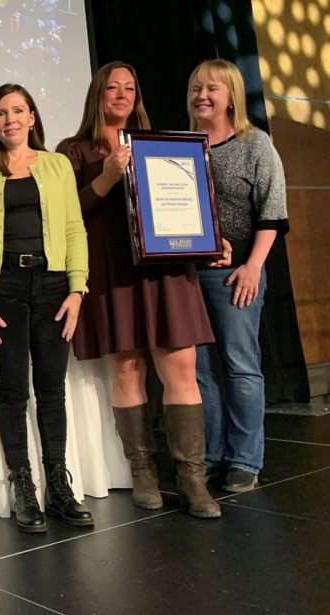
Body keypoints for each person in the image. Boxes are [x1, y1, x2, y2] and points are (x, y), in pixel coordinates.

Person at [57, 61, 221, 518]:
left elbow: (192, 200)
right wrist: (108, 173)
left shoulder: (163, 145)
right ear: (97, 94)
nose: (122, 94)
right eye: (113, 87)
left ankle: (192, 479)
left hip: (167, 272)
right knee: (127, 372)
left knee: (182, 370)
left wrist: (210, 233)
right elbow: (70, 213)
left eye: (130, 87)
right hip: (115, 275)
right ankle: (143, 472)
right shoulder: (72, 150)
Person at [0, 84, 92, 533]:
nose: (10, 119)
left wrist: (77, 289)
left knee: (52, 389)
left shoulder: (57, 165)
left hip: (54, 285)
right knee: (14, 391)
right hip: (4, 287)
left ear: (32, 117)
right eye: (0, 113)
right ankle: (24, 488)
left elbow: (74, 227)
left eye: (18, 110)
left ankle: (59, 487)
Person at [187, 59, 288, 493]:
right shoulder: (179, 147)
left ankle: (245, 460)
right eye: (195, 88)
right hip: (188, 278)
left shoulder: (255, 144)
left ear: (231, 96)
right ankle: (213, 455)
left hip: (236, 276)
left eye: (212, 88)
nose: (202, 95)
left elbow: (272, 211)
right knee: (200, 372)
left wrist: (252, 266)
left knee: (241, 368)